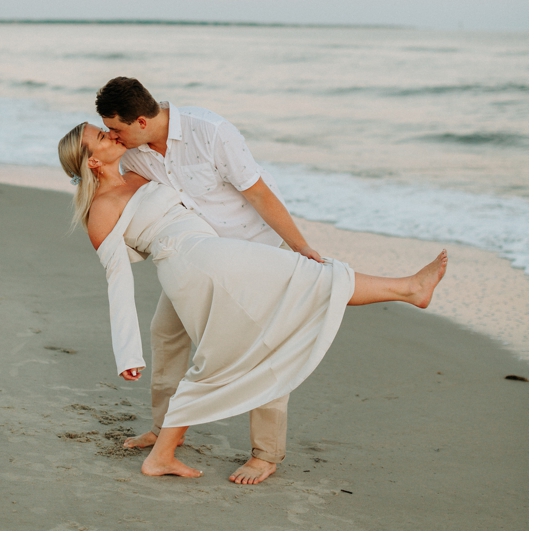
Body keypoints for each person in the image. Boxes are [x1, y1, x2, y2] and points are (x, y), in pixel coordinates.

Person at [58, 122, 448, 480]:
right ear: (93, 161)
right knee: (299, 283)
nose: (112, 135)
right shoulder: (102, 209)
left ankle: (164, 449)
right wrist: (128, 353)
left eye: (109, 129)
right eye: (102, 137)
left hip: (210, 257)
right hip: (197, 262)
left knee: (221, 352)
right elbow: (117, 279)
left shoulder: (140, 169)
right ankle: (408, 289)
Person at [96, 76, 317, 485]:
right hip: (198, 260)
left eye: (118, 129)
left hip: (255, 250)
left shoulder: (210, 132)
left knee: (262, 348)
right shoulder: (134, 155)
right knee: (166, 333)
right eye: (109, 131)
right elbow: (108, 185)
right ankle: (165, 431)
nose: (114, 136)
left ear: (142, 120)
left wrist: (300, 247)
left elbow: (260, 195)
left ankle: (265, 454)